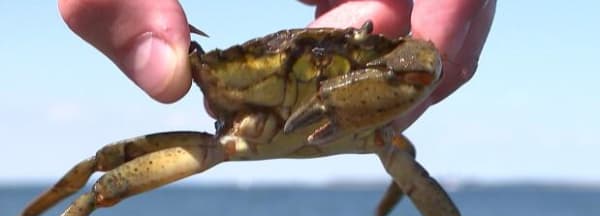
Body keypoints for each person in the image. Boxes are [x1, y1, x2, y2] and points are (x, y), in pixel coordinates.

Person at [58, 0, 495, 131]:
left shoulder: (377, 131)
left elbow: (420, 62)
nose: (310, 71)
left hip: (354, 123)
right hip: (232, 137)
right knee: (96, 186)